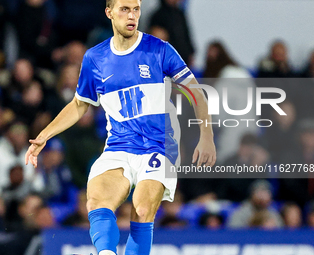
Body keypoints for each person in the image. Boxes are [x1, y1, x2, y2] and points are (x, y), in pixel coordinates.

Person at [25, 1, 216, 255]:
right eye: (125, 9)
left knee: (142, 208)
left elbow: (195, 92)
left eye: (136, 9)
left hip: (158, 147)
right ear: (109, 12)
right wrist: (44, 135)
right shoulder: (95, 57)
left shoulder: (159, 49)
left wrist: (207, 134)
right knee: (96, 199)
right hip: (119, 147)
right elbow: (80, 104)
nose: (132, 15)